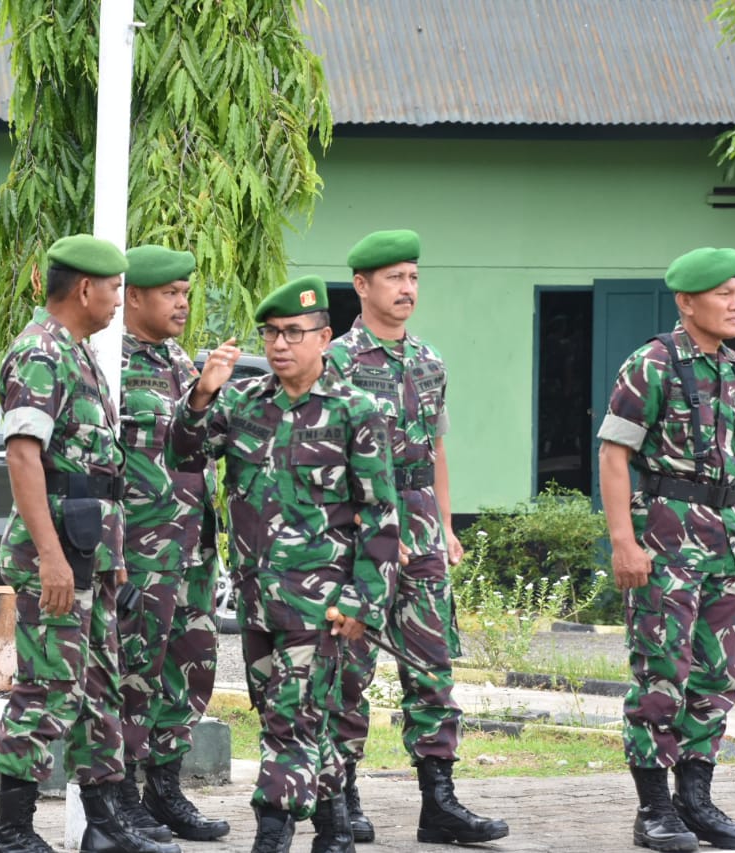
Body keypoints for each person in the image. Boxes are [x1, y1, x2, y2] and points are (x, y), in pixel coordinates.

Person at [167, 275, 399, 853]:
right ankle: (335, 828)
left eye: (293, 333)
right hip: (256, 600)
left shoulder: (356, 412)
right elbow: (184, 453)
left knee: (288, 721)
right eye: (270, 333)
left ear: (324, 338)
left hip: (321, 602)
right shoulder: (245, 403)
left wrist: (360, 600)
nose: (279, 344)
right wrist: (201, 396)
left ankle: (272, 833)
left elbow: (379, 517)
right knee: (289, 711)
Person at [0, 235, 179, 853]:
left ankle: (104, 825)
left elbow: (100, 470)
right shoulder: (41, 352)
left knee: (98, 688)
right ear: (85, 288)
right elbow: (24, 456)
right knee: (46, 688)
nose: (121, 300)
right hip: (57, 553)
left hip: (88, 550)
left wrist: (113, 557)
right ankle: (10, 832)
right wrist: (48, 556)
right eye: (116, 288)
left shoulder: (82, 353)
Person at [327, 229, 509, 845]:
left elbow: (434, 449)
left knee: (432, 667)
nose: (407, 289)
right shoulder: (336, 362)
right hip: (359, 529)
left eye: (413, 278)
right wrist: (366, 525)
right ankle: (341, 794)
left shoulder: (429, 361)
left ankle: (440, 802)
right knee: (348, 667)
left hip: (421, 521)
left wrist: (446, 524)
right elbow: (322, 458)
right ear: (362, 286)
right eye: (394, 278)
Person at [597, 247, 735, 853]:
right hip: (665, 531)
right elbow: (614, 454)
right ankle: (653, 811)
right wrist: (623, 542)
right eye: (724, 294)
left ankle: (697, 802)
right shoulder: (653, 364)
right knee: (662, 670)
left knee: (719, 672)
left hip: (722, 533)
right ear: (687, 301)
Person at [115, 244, 230, 841]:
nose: (183, 304)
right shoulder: (108, 360)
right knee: (136, 666)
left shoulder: (180, 359)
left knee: (190, 662)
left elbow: (202, 442)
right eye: (171, 294)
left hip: (192, 544)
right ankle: (123, 793)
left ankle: (165, 785)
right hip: (139, 545)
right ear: (134, 296)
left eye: (186, 293)